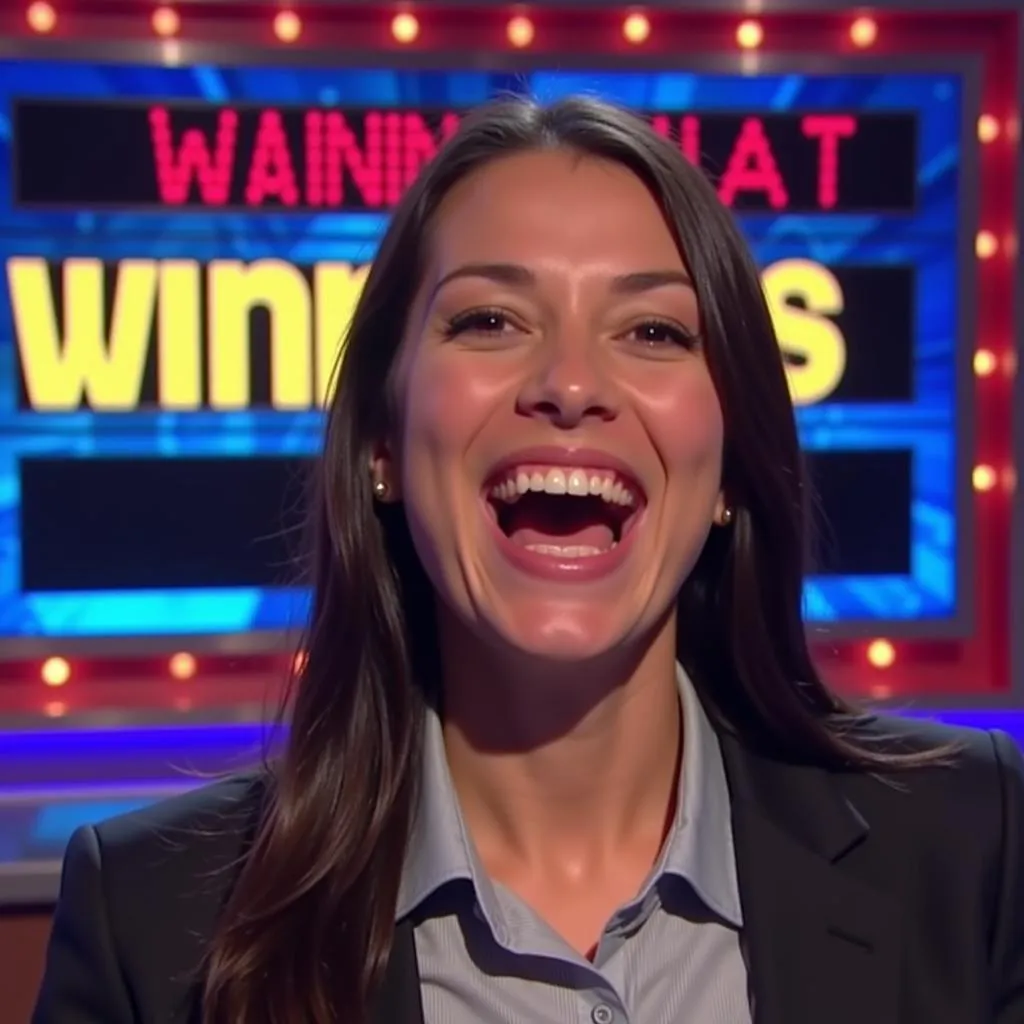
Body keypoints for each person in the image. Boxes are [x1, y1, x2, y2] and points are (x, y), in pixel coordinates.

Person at [32, 95, 1024, 1024]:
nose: (570, 382)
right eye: (490, 320)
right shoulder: (154, 925)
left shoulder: (969, 845)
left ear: (730, 462)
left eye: (652, 329)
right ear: (382, 442)